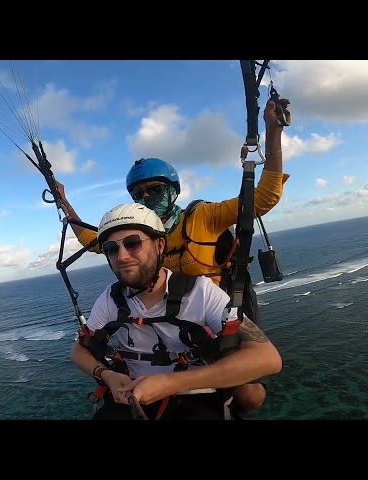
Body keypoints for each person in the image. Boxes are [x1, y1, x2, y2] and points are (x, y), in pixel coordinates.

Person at [59, 98, 290, 415]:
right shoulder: (132, 235)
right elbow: (94, 240)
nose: (146, 197)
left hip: (209, 319)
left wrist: (273, 133)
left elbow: (261, 199)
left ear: (172, 189)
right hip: (163, 324)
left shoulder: (203, 217)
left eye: (153, 189)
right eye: (139, 193)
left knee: (249, 397)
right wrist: (65, 203)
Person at [70, 203, 282, 420]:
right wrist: (107, 375)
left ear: (159, 244)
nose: (122, 256)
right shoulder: (111, 298)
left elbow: (267, 358)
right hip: (133, 398)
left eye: (132, 243)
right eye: (111, 249)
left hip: (195, 397)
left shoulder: (199, 291)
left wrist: (171, 384)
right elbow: (79, 350)